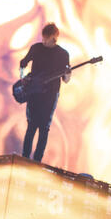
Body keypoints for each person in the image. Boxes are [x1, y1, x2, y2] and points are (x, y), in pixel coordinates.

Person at [19, 23, 70, 162]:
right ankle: (24, 159)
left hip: (51, 96)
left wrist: (67, 74)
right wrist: (23, 78)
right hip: (34, 93)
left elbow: (66, 79)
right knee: (31, 127)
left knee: (44, 128)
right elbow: (22, 63)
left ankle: (37, 162)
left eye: (46, 39)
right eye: (43, 38)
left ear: (54, 38)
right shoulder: (36, 48)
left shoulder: (63, 54)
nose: (43, 41)